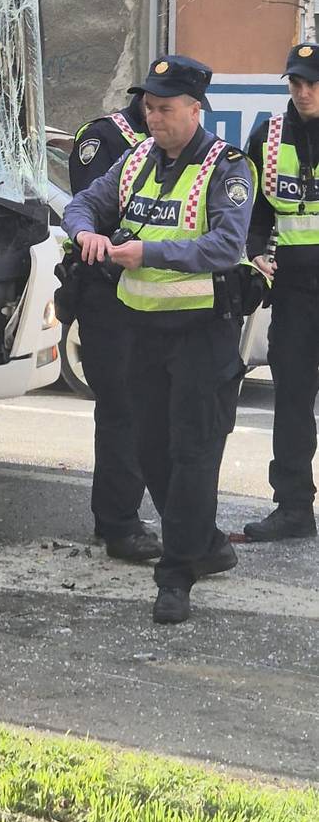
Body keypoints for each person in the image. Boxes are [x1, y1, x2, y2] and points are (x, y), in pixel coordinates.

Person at [62, 55, 254, 624]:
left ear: (195, 110)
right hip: (142, 329)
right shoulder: (137, 157)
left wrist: (145, 253)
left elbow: (223, 246)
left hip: (202, 332)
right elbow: (82, 203)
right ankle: (207, 545)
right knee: (148, 448)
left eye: (165, 108)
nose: (153, 117)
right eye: (148, 105)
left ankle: (175, 576)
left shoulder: (228, 167)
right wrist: (86, 233)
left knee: (190, 453)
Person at [68, 93, 158, 561]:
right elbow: (93, 213)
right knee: (123, 407)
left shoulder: (163, 149)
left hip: (146, 295)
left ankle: (129, 514)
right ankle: (117, 523)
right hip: (105, 292)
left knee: (146, 409)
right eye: (159, 107)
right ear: (144, 101)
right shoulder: (102, 139)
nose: (162, 117)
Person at [242, 43, 319, 541]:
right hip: (295, 291)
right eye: (296, 82)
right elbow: (254, 208)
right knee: (291, 401)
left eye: (313, 83)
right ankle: (293, 508)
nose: (304, 91)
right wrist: (255, 251)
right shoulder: (266, 136)